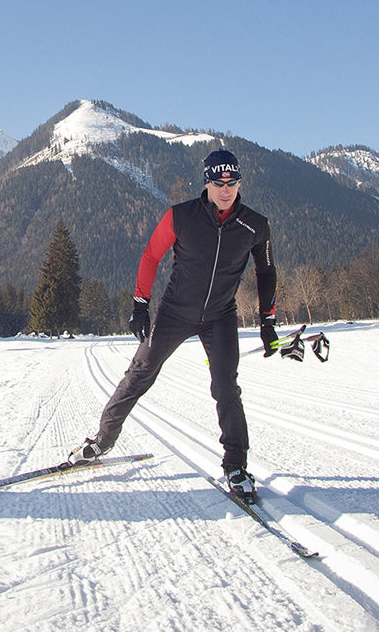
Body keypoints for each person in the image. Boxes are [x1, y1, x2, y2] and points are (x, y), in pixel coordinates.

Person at [68, 149, 279, 504]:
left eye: (232, 183)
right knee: (140, 372)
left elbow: (267, 272)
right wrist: (140, 305)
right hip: (174, 313)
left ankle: (236, 466)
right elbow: (151, 256)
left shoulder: (255, 225)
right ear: (207, 183)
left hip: (221, 315)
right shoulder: (181, 217)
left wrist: (268, 321)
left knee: (226, 386)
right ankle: (102, 440)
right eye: (218, 183)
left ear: (240, 182)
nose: (225, 190)